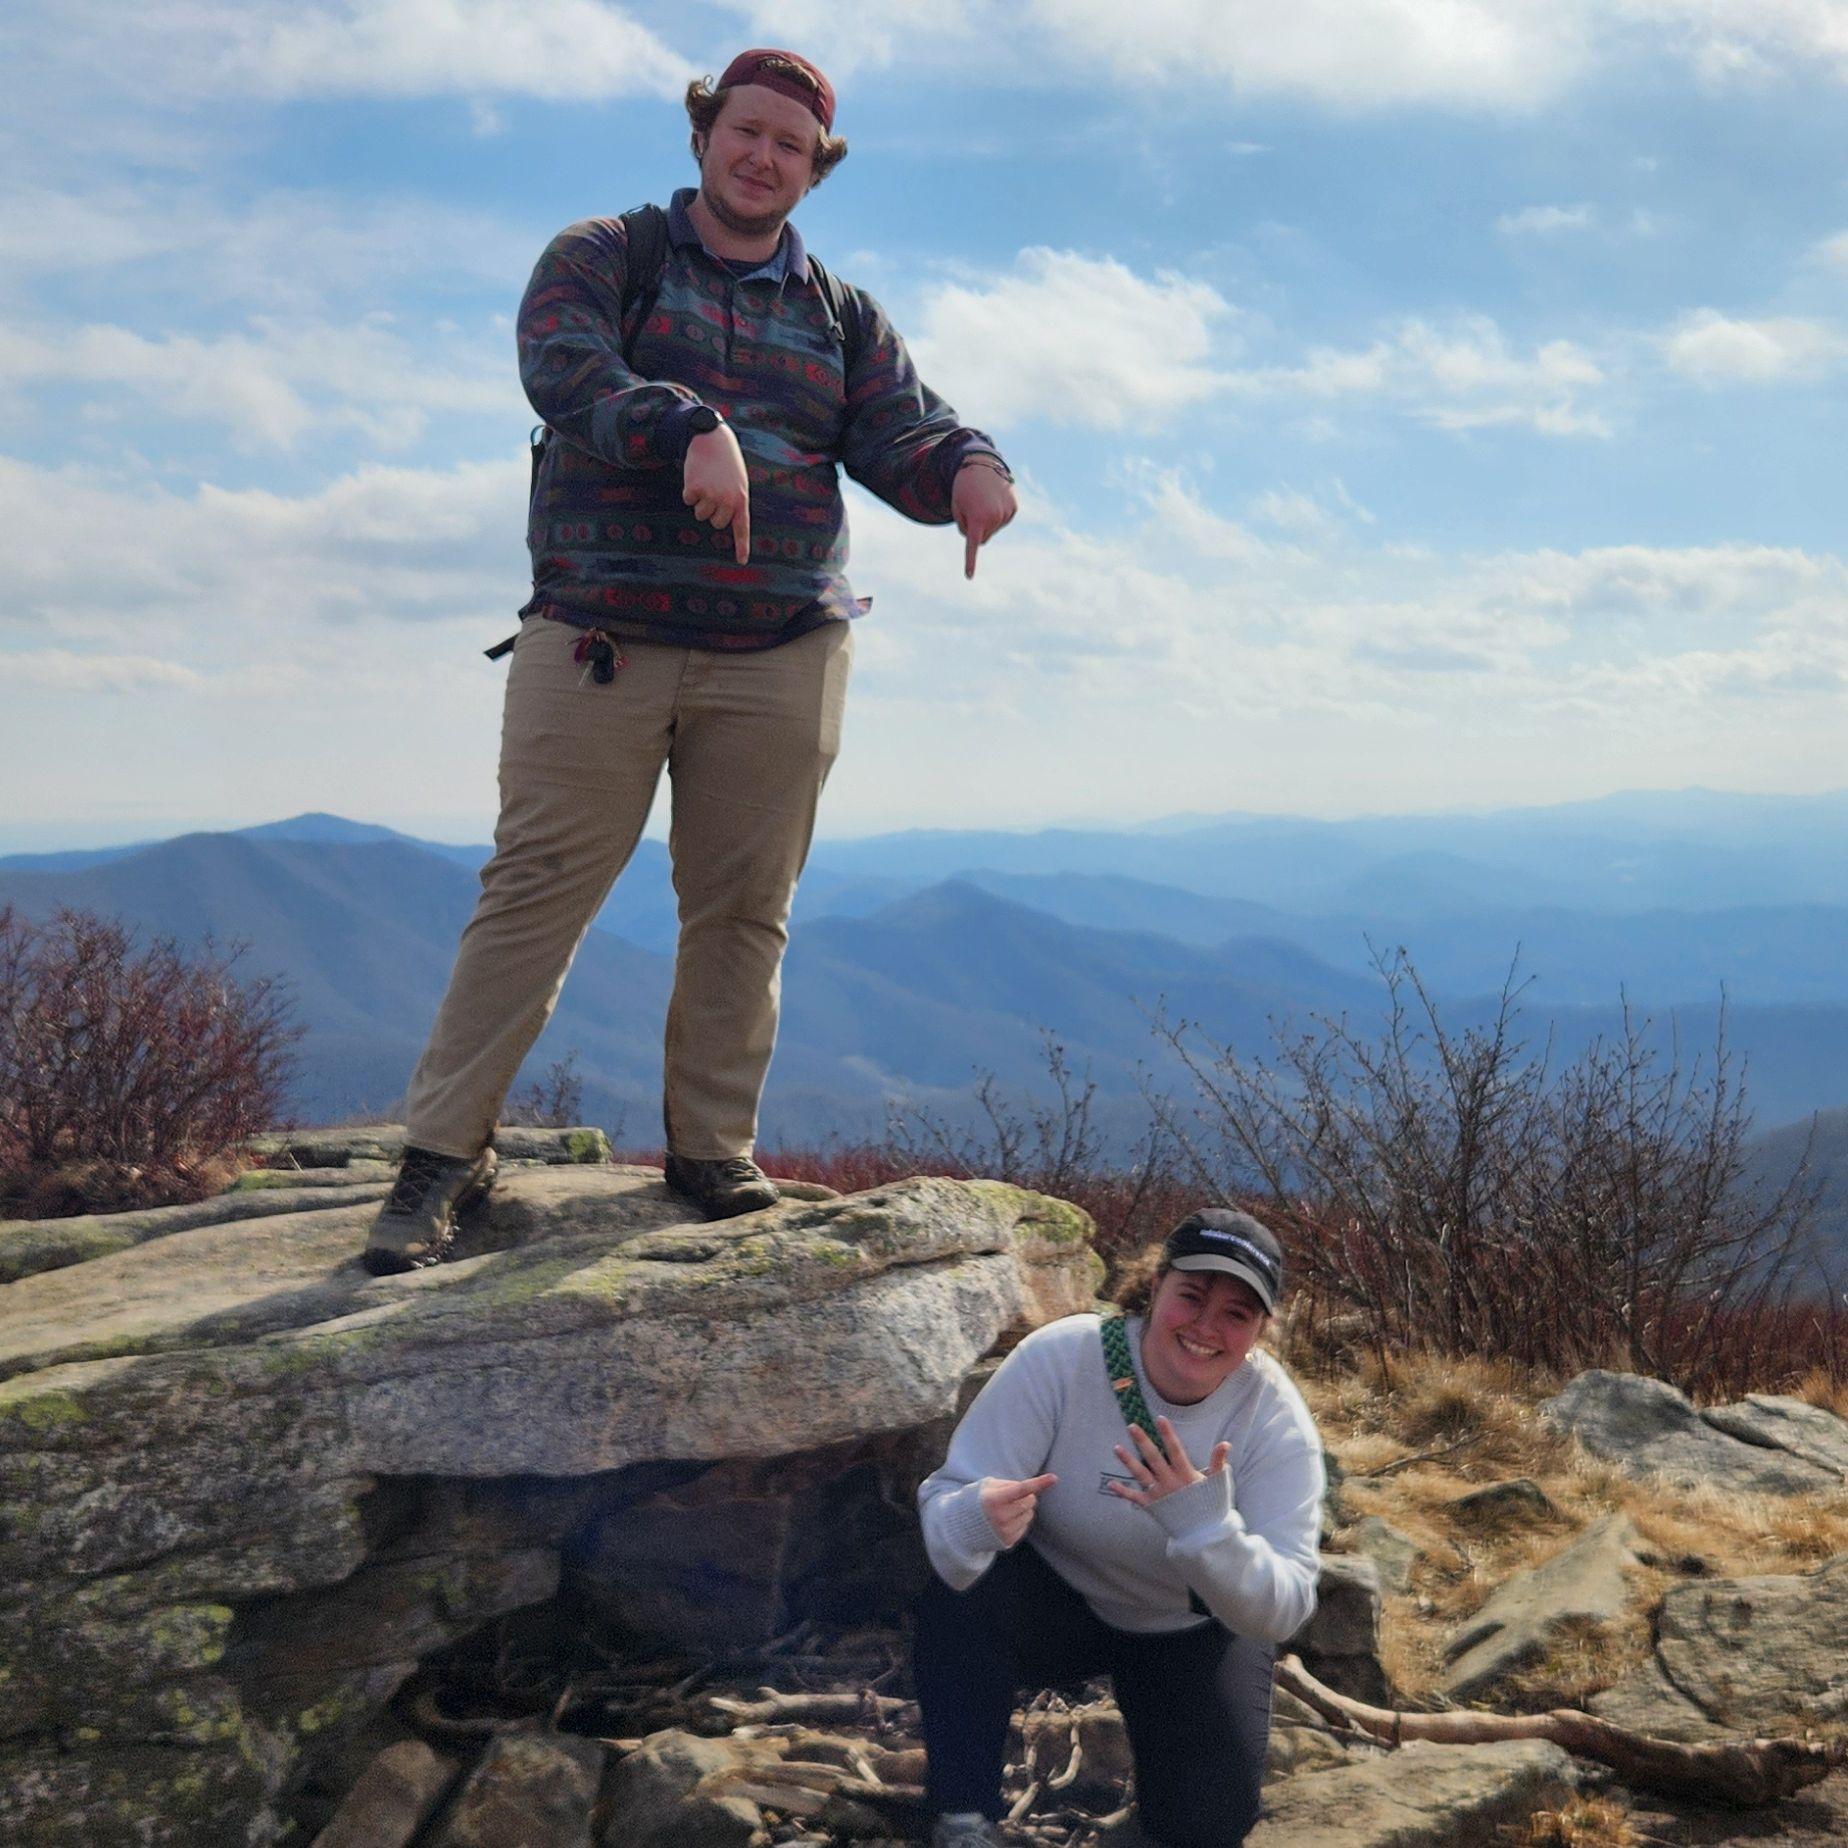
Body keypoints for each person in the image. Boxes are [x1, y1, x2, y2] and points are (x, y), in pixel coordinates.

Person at [363, 47, 1017, 1271]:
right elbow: (565, 371)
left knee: (746, 910)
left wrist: (972, 470)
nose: (762, 156)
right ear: (703, 133)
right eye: (745, 130)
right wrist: (687, 426)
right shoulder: (607, 255)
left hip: (782, 647)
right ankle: (441, 1157)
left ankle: (712, 1152)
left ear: (815, 172)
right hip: (600, 636)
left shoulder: (840, 314)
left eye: (790, 145)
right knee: (537, 892)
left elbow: (903, 432)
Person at [913, 1209, 1325, 1848]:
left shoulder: (1272, 1419)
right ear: (1155, 1286)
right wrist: (974, 1517)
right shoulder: (1064, 1357)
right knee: (960, 1594)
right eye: (1191, 1296)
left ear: (1260, 1330)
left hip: (1185, 1629)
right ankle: (962, 1814)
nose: (1205, 1327)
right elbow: (945, 1505)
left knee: (1206, 1824)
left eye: (1236, 1314)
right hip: (1057, 1601)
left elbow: (1287, 1606)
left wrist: (1207, 1530)